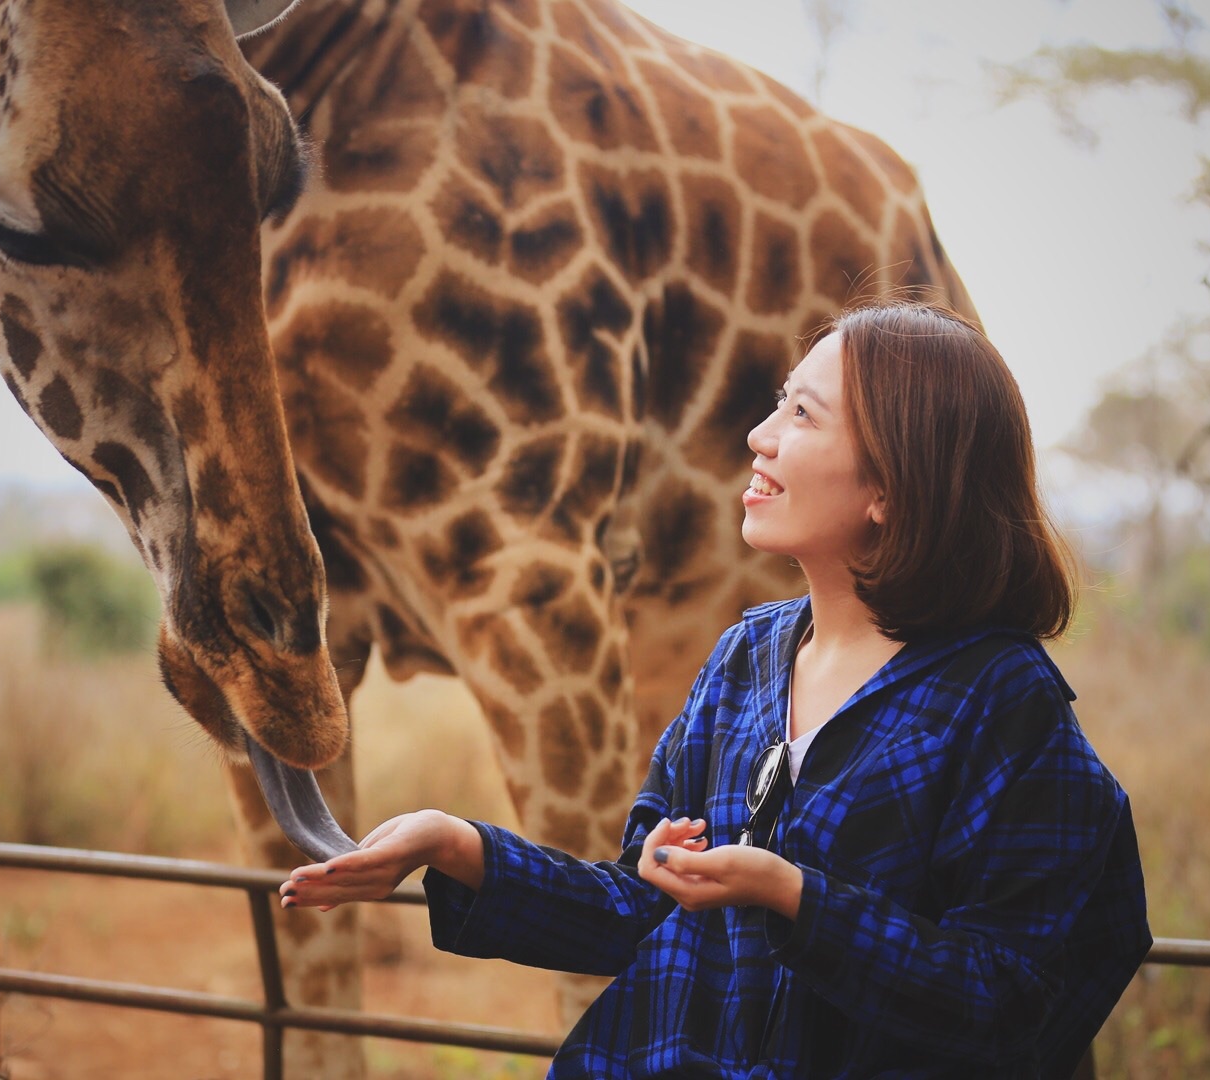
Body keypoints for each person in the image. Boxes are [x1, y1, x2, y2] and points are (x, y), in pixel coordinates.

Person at [280, 302, 1152, 1078]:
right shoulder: (748, 656)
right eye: (779, 400)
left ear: (890, 485)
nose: (759, 436)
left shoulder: (1005, 704)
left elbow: (1013, 1003)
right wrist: (454, 843)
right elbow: (635, 907)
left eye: (801, 415)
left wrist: (793, 897)